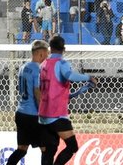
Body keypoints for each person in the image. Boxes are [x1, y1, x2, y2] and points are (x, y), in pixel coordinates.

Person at [38, 36, 96, 165]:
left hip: (43, 115)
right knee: (72, 147)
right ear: (64, 49)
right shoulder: (62, 63)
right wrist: (88, 77)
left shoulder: (43, 65)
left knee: (49, 151)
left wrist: (80, 91)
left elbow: (47, 90)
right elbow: (69, 75)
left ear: (50, 48)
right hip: (57, 115)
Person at [5, 40, 51, 165]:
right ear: (41, 54)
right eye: (47, 54)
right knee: (46, 149)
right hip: (33, 115)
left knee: (22, 149)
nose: (48, 57)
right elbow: (37, 92)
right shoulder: (38, 70)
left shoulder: (22, 68)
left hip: (21, 113)